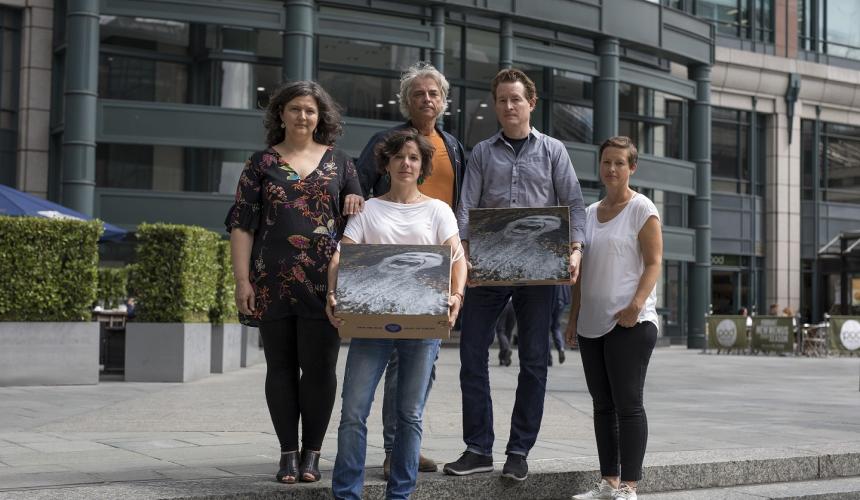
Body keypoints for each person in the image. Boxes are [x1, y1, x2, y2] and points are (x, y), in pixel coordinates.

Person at [444, 68, 586, 482]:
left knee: (534, 362)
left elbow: (574, 204)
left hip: (539, 271)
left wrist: (575, 250)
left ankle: (519, 450)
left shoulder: (554, 151)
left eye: (515, 100)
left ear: (531, 103)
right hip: (488, 268)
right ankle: (478, 448)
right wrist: (464, 254)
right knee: (471, 355)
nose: (508, 107)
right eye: (502, 100)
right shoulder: (483, 153)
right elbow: (466, 209)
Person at [225, 80, 364, 485]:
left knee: (320, 370)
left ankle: (313, 455)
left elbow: (360, 212)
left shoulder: (342, 163)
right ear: (280, 114)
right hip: (271, 282)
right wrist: (241, 279)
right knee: (280, 369)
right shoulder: (260, 164)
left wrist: (356, 200)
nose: (303, 116)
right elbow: (242, 225)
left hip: (326, 287)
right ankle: (288, 452)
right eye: (295, 109)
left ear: (321, 117)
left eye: (310, 110)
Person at [328, 129, 468, 500]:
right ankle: (346, 494)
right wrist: (332, 291)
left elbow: (457, 259)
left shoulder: (438, 210)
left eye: (414, 158)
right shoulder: (369, 209)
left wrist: (456, 294)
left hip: (422, 326)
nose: (406, 164)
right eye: (399, 157)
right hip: (370, 324)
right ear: (386, 163)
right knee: (353, 412)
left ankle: (400, 494)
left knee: (410, 415)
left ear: (422, 166)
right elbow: (342, 255)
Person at [355, 61, 466, 478]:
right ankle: (393, 452)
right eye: (418, 93)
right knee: (399, 363)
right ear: (406, 101)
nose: (427, 99)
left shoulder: (452, 145)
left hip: (435, 269)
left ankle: (406, 446)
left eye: (433, 93)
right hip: (390, 263)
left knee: (424, 363)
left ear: (443, 100)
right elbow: (357, 182)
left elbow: (460, 204)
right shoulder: (387, 141)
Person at [567, 136, 663, 500]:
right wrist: (573, 317)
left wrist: (636, 305)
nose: (611, 169)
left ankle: (630, 486)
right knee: (602, 405)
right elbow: (583, 272)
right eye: (606, 162)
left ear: (631, 168)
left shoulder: (643, 209)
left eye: (619, 163)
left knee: (628, 403)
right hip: (592, 324)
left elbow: (654, 263)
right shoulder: (589, 214)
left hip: (630, 323)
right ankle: (608, 482)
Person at [548, 285, 570, 366]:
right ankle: (561, 348)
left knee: (546, 329)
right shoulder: (564, 273)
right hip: (562, 301)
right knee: (556, 327)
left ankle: (548, 358)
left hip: (551, 300)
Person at [495, 298, 516, 366]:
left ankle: (506, 348)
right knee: (508, 331)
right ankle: (503, 357)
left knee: (500, 330)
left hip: (503, 302)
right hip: (513, 304)